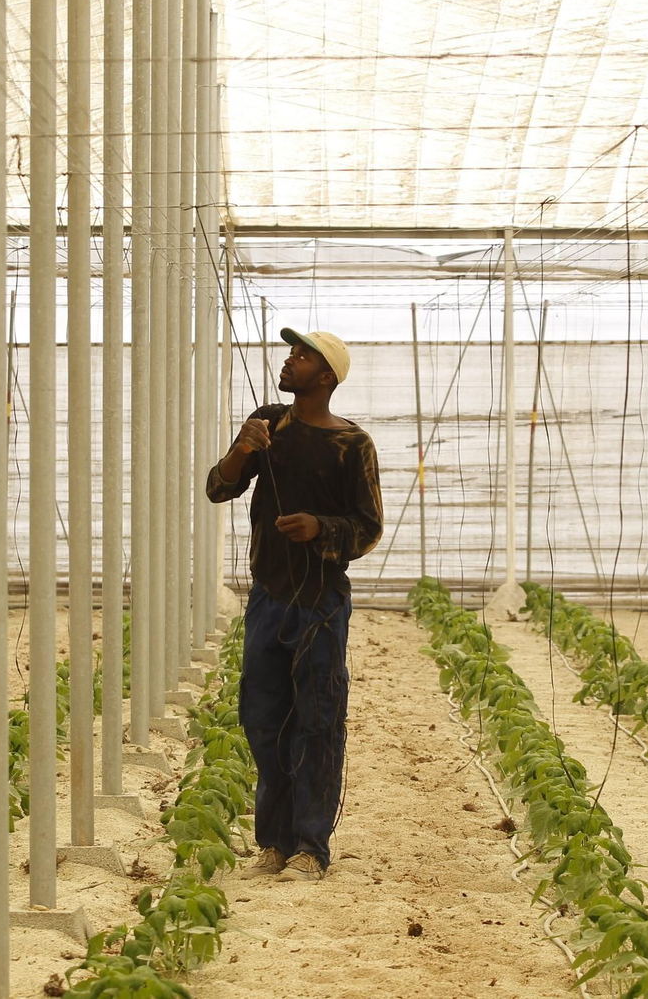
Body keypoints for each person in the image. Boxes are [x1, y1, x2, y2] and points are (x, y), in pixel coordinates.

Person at [206, 328, 383, 882]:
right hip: (268, 599)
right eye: (292, 352)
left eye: (303, 356)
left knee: (318, 720)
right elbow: (218, 487)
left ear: (326, 377)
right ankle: (273, 841)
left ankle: (311, 846)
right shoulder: (269, 424)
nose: (290, 360)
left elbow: (369, 528)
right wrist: (240, 447)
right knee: (262, 718)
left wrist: (319, 528)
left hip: (320, 604)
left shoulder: (352, 446)